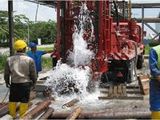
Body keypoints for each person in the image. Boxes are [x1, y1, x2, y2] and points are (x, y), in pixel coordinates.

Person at [4, 40, 37, 118]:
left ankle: (12, 116)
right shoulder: (29, 60)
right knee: (24, 100)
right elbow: (33, 74)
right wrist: (34, 82)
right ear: (24, 48)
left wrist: (7, 82)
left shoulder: (9, 59)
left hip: (14, 83)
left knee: (12, 99)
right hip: (25, 84)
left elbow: (6, 73)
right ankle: (22, 117)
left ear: (16, 49)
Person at [149, 44, 160, 119]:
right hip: (156, 81)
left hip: (156, 81)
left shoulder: (155, 50)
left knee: (156, 104)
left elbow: (153, 68)